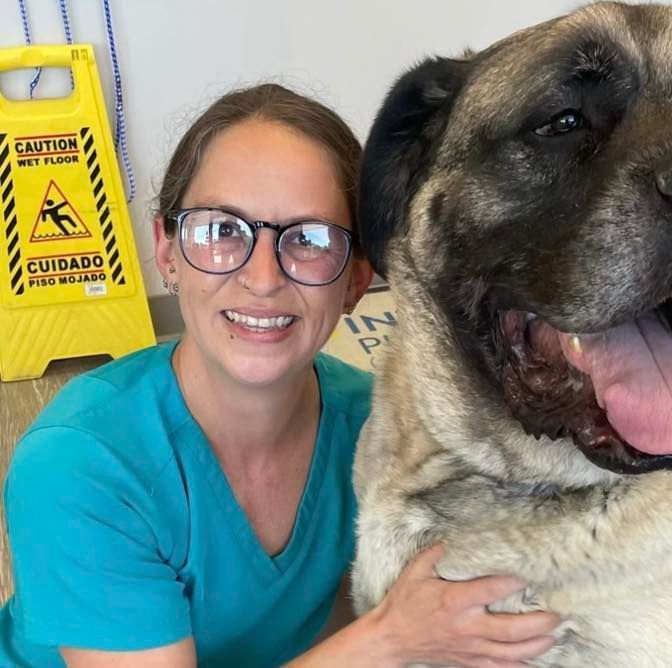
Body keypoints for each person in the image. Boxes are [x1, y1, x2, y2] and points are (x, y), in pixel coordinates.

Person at [0, 83, 559, 667]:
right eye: (221, 230)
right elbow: (378, 640)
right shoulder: (81, 463)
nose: (263, 278)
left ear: (356, 280)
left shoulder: (375, 427)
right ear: (167, 252)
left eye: (309, 240)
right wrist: (393, 639)